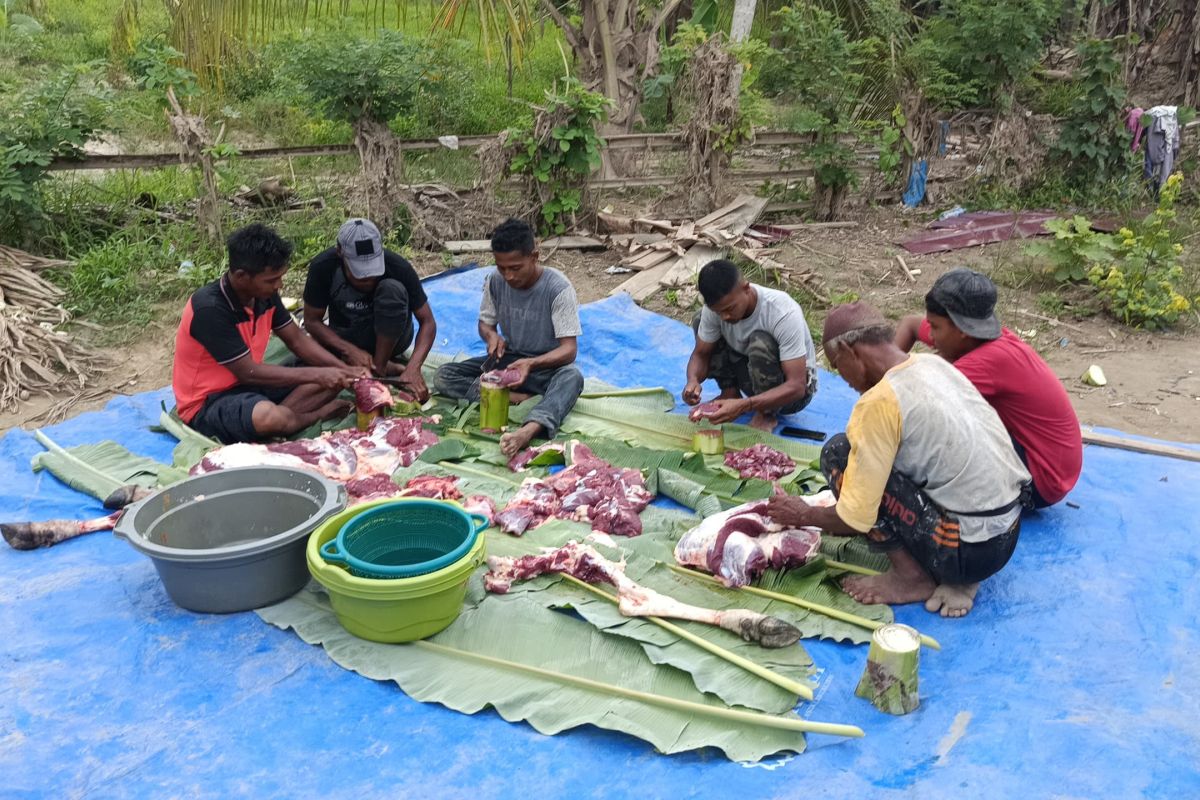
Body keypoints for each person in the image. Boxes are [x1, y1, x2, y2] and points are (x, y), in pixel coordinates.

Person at [766, 302, 1031, 618]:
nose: (844, 379)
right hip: (1007, 535)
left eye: (837, 366)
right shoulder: (934, 365)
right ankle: (953, 568)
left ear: (850, 352)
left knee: (839, 453)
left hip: (964, 550)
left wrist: (803, 514)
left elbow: (855, 517)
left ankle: (911, 577)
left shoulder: (879, 402)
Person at [894, 268, 1082, 508]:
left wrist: (880, 382)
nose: (930, 334)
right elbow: (910, 324)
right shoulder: (978, 339)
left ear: (961, 330)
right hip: (1048, 462)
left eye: (935, 327)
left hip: (1042, 480)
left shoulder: (987, 362)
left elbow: (913, 403)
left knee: (926, 434)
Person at [172, 224, 365, 444]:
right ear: (241, 276)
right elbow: (248, 372)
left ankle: (283, 420)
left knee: (334, 370)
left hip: (251, 389)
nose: (279, 285)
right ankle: (311, 416)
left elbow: (296, 339)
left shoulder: (263, 295)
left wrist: (343, 370)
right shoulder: (209, 309)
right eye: (272, 280)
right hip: (209, 403)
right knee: (268, 415)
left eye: (280, 277)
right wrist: (320, 375)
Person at [434, 218, 584, 458]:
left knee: (572, 377)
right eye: (502, 267)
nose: (509, 276)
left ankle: (528, 430)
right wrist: (491, 336)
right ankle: (515, 397)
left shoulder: (558, 288)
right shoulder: (495, 281)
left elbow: (569, 350)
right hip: (509, 363)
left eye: (515, 268)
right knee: (444, 376)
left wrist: (531, 363)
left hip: (544, 368)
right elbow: (485, 323)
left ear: (534, 257)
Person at [302, 218, 437, 400]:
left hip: (393, 338)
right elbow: (311, 321)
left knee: (392, 290)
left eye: (373, 272)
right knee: (308, 360)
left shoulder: (397, 266)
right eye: (359, 273)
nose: (368, 279)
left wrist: (414, 368)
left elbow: (427, 321)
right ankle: (386, 367)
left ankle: (380, 368)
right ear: (340, 252)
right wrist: (348, 349)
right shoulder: (323, 266)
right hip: (346, 336)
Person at [682, 259, 817, 431]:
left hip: (790, 396)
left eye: (730, 308)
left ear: (746, 288)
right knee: (700, 318)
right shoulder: (715, 310)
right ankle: (730, 393)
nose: (725, 316)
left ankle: (766, 413)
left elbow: (797, 386)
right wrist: (692, 380)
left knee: (760, 342)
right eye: (718, 311)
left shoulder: (782, 312)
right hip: (750, 373)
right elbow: (701, 354)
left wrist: (745, 406)